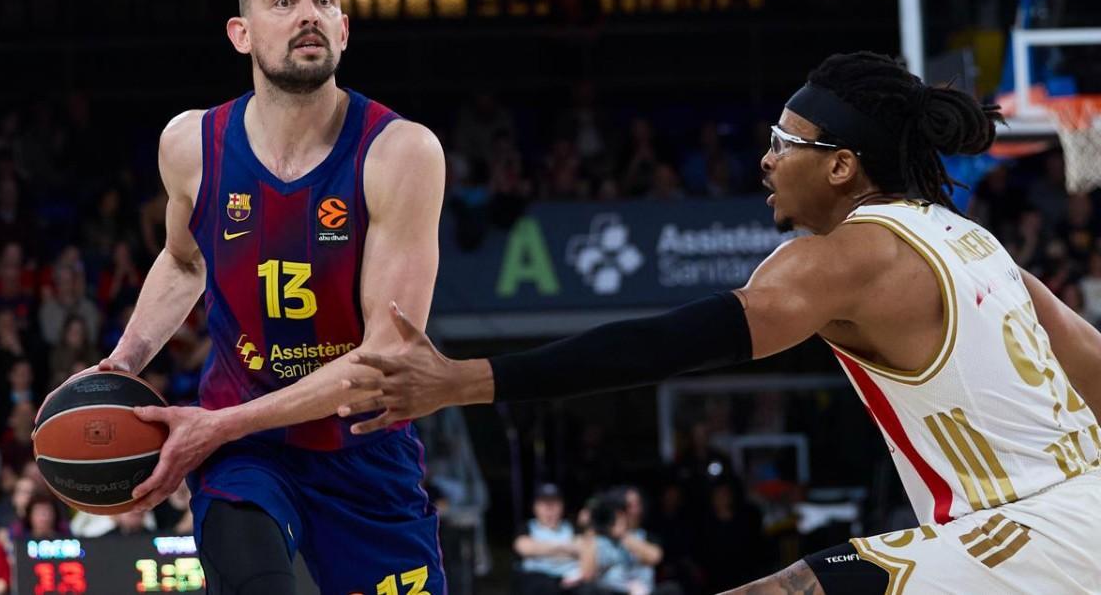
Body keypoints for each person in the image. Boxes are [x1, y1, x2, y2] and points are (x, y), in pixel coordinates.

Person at [343, 52, 1101, 593]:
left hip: (1036, 532)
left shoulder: (840, 258)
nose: (767, 160)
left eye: (785, 143)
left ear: (841, 166)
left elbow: (670, 341)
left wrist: (463, 379)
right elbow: (1092, 357)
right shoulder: (975, 241)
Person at [79, 0, 446, 594]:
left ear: (343, 28)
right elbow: (183, 260)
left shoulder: (401, 152)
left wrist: (214, 425)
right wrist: (124, 363)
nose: (308, 13)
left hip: (361, 448)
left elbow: (383, 361)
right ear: (241, 33)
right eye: (284, 0)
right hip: (246, 455)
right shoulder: (190, 143)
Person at [514, 483, 583, 594]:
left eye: (554, 503)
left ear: (562, 506)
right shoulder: (527, 527)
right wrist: (568, 548)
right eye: (544, 504)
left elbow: (585, 548)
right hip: (537, 578)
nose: (549, 509)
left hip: (571, 577)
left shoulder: (572, 527)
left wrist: (542, 548)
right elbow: (525, 548)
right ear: (535, 507)